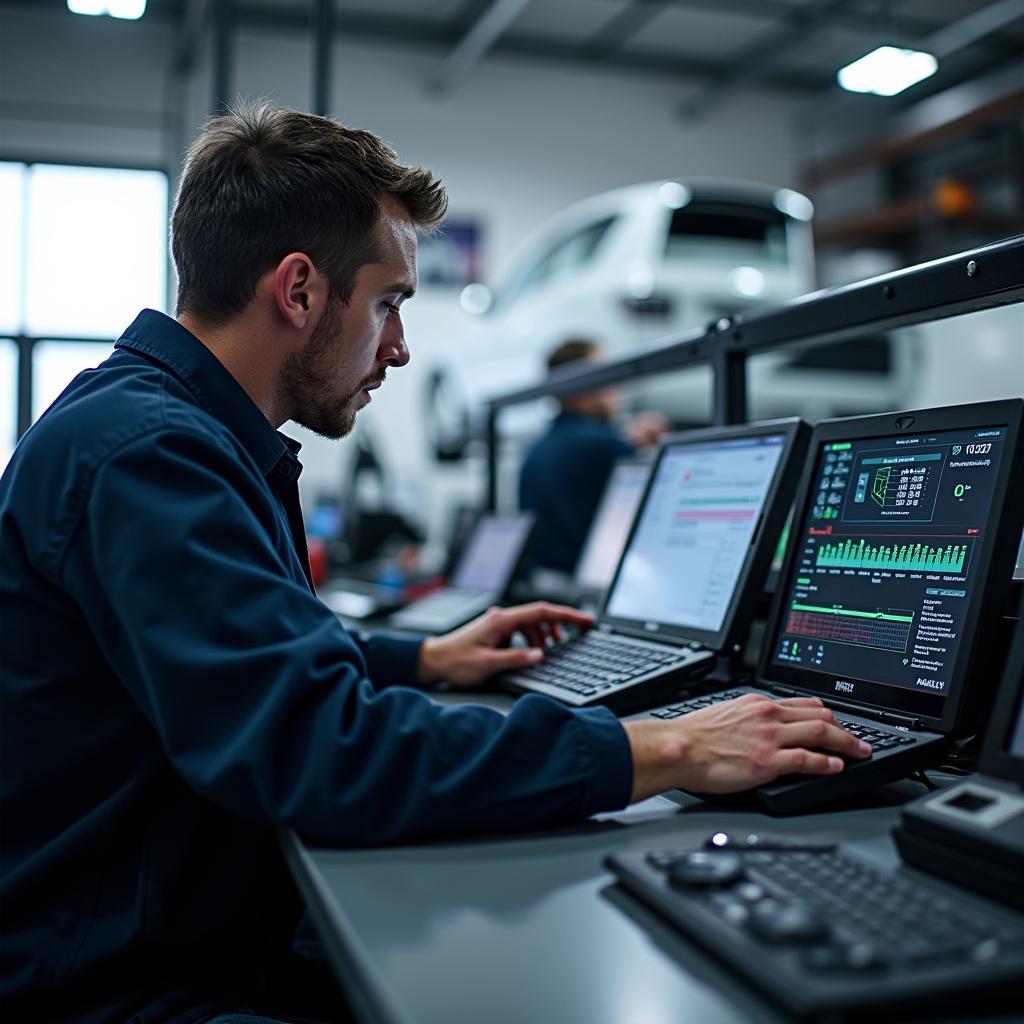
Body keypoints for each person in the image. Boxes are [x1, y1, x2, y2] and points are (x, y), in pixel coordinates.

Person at [0, 103, 870, 1024]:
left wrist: (424, 660)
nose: (401, 349)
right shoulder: (149, 454)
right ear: (298, 291)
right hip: (115, 989)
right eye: (389, 304)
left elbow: (245, 648)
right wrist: (667, 746)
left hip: (172, 929)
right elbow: (327, 751)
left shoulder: (163, 428)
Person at [518, 339, 668, 573]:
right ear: (585, 386)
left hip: (544, 581)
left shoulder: (536, 448)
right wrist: (650, 451)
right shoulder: (603, 445)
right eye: (606, 376)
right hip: (587, 585)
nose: (616, 388)